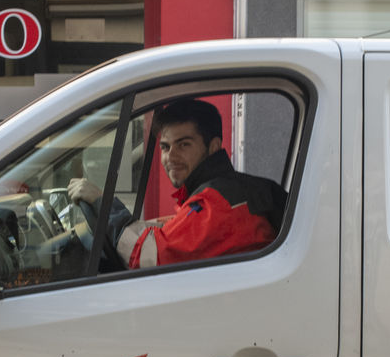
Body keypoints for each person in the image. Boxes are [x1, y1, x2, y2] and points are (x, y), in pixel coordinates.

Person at [68, 98, 285, 269]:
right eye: (165, 147)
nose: (170, 157)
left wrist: (103, 204)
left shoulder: (216, 203)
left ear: (213, 146)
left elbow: (148, 255)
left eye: (183, 145)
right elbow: (173, 234)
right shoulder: (227, 190)